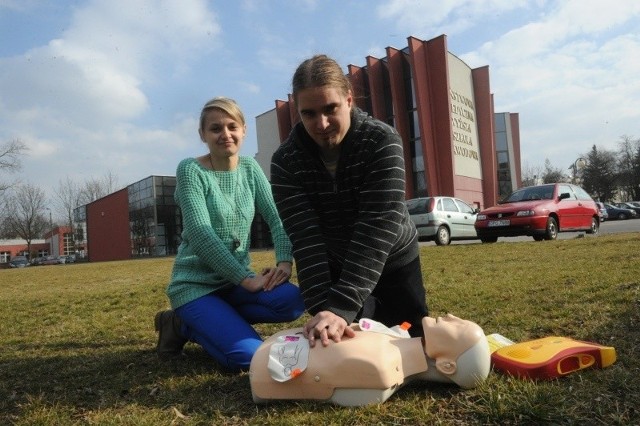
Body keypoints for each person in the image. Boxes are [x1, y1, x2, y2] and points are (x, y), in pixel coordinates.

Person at [270, 54, 429, 348]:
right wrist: (325, 311)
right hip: (333, 264)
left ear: (349, 100)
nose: (322, 123)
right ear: (298, 112)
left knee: (413, 343)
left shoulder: (382, 141)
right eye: (309, 113)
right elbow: (305, 239)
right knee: (344, 344)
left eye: (330, 108)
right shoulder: (285, 162)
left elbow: (377, 225)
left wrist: (341, 305)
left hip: (394, 258)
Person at [155, 97, 305, 372]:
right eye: (215, 129)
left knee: (293, 301)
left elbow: (277, 216)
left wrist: (284, 262)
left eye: (232, 126)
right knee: (249, 359)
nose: (225, 134)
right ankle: (181, 323)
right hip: (196, 286)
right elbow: (201, 235)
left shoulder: (250, 168)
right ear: (203, 135)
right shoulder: (191, 170)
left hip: (233, 286)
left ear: (244, 130)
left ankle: (217, 320)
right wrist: (245, 279)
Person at [249, 314, 491, 406]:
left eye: (459, 329)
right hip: (274, 347)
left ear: (447, 366)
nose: (451, 316)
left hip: (265, 361)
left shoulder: (382, 370)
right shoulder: (395, 339)